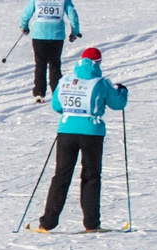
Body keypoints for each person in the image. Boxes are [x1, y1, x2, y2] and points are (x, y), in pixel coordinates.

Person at [33, 45, 127, 233]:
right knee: (91, 176)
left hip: (66, 131)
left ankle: (46, 223)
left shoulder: (66, 80)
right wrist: (122, 91)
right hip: (92, 133)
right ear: (98, 63)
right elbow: (118, 103)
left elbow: (57, 105)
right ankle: (91, 224)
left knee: (61, 176)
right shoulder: (100, 82)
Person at [19, 0, 82, 101]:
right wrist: (74, 32)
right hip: (57, 36)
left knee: (40, 64)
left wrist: (24, 26)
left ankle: (39, 93)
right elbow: (73, 16)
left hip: (39, 35)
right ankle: (56, 92)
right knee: (54, 64)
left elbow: (26, 13)